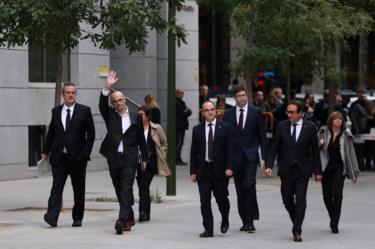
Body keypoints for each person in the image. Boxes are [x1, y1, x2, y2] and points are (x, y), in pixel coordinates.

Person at [99, 70, 148, 235]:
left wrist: (145, 158)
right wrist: (107, 87)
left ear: (125, 100)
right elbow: (101, 104)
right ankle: (129, 218)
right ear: (113, 103)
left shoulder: (136, 117)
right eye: (115, 101)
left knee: (126, 188)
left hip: (130, 158)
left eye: (120, 99)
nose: (118, 102)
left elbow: (141, 139)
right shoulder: (110, 115)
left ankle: (121, 220)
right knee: (119, 189)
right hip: (114, 158)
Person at [265, 100, 322, 242]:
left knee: (301, 200)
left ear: (301, 113)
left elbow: (315, 151)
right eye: (288, 112)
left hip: (303, 169)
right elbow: (274, 147)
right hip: (286, 169)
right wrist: (269, 165)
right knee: (287, 199)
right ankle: (296, 220)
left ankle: (297, 229)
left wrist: (317, 171)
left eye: (292, 112)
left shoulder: (310, 127)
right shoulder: (281, 126)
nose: (289, 115)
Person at [42, 82, 95, 228]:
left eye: (73, 92)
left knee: (78, 189)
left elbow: (91, 135)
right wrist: (45, 151)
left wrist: (85, 153)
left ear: (75, 94)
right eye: (67, 92)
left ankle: (77, 218)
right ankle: (52, 216)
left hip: (78, 158)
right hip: (59, 157)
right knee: (56, 187)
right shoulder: (56, 111)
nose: (70, 95)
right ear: (63, 94)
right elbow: (51, 132)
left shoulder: (84, 111)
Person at [223, 85, 267, 233]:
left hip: (250, 155)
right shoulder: (228, 114)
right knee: (240, 188)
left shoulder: (256, 112)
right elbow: (225, 138)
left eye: (244, 95)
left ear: (247, 95)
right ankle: (244, 220)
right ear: (234, 98)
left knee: (249, 184)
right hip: (235, 157)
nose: (242, 97)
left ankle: (251, 220)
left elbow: (262, 136)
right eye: (239, 95)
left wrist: (265, 157)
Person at [190, 101, 233, 238]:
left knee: (222, 199)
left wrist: (230, 167)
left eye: (212, 109)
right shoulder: (197, 129)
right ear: (202, 113)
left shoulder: (225, 128)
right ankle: (208, 229)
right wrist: (193, 171)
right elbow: (193, 152)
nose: (209, 112)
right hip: (204, 171)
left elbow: (231, 150)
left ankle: (225, 218)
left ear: (216, 111)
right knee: (204, 201)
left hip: (220, 170)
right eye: (206, 110)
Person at [318, 111, 359, 234]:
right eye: (335, 119)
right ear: (331, 120)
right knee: (326, 195)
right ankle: (333, 216)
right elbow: (313, 149)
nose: (338, 121)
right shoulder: (323, 132)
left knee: (337, 195)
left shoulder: (346, 135)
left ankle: (334, 223)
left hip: (339, 169)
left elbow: (351, 154)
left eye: (340, 119)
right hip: (325, 168)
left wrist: (354, 173)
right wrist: (320, 144)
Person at [136, 106, 171, 222]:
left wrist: (162, 155)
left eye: (141, 114)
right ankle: (146, 212)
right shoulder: (135, 127)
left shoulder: (156, 128)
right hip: (138, 162)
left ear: (147, 116)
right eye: (138, 114)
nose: (139, 116)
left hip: (151, 163)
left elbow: (164, 142)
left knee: (143, 186)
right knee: (142, 187)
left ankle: (142, 212)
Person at [349, 88, 370, 171]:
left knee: (366, 149)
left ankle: (364, 165)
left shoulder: (366, 103)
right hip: (359, 130)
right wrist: (357, 130)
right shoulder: (355, 105)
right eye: (360, 94)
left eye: (363, 94)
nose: (362, 96)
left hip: (366, 130)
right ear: (357, 95)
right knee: (359, 149)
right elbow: (353, 118)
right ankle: (359, 166)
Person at [176, 88, 192, 165]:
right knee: (178, 143)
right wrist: (187, 111)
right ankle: (177, 159)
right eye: (180, 93)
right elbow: (184, 112)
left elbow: (187, 111)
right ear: (177, 93)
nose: (182, 95)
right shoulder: (177, 102)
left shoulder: (181, 102)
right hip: (178, 126)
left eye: (182, 93)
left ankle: (178, 158)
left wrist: (187, 111)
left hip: (181, 126)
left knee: (180, 143)